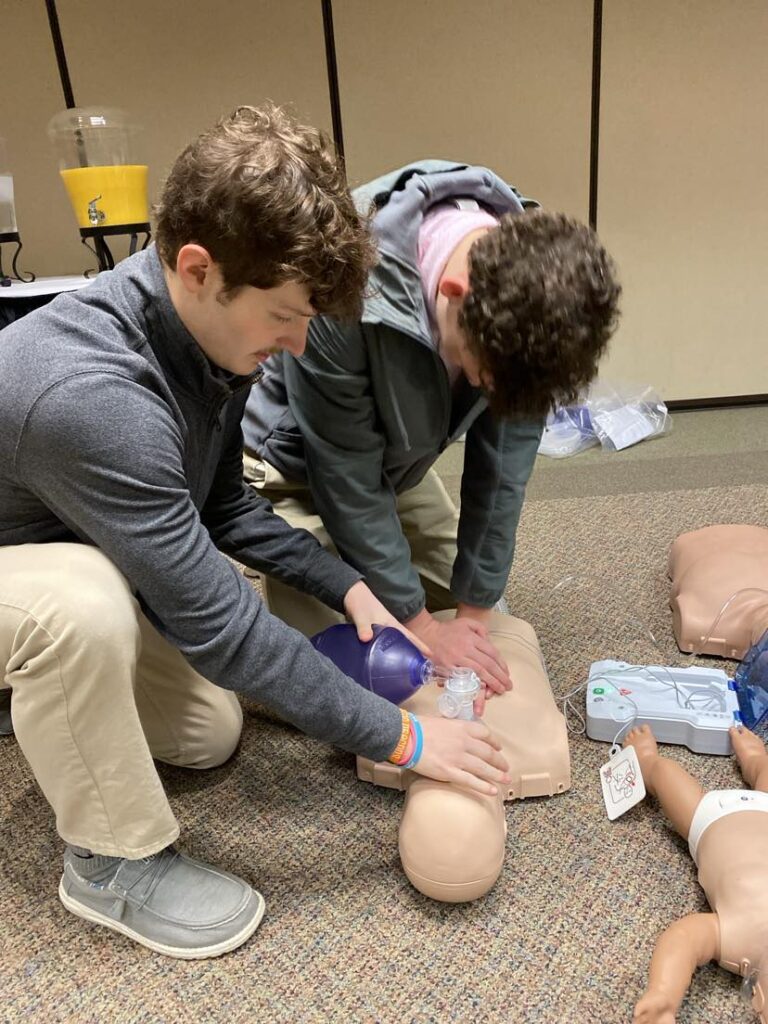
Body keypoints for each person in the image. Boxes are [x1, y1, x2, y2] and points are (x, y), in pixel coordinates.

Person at [0, 108, 510, 959]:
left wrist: (347, 586)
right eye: (284, 315)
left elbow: (223, 506)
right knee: (82, 611)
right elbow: (225, 630)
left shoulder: (205, 337)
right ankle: (109, 866)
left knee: (208, 737)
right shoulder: (96, 399)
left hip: (58, 532)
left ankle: (47, 697)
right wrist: (414, 739)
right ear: (199, 269)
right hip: (41, 566)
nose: (299, 342)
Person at [242, 159, 621, 702]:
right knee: (367, 676)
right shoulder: (342, 279)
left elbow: (502, 473)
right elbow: (345, 477)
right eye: (479, 372)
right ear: (455, 289)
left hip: (399, 462)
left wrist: (469, 614)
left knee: (489, 633)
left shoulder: (539, 302)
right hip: (296, 465)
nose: (479, 386)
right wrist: (420, 628)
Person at [626, 724, 768, 1023]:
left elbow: (685, 937)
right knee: (764, 768)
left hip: (708, 818)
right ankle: (755, 757)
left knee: (664, 774)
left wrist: (664, 993)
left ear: (759, 1002)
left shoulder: (740, 939)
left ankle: (647, 761)